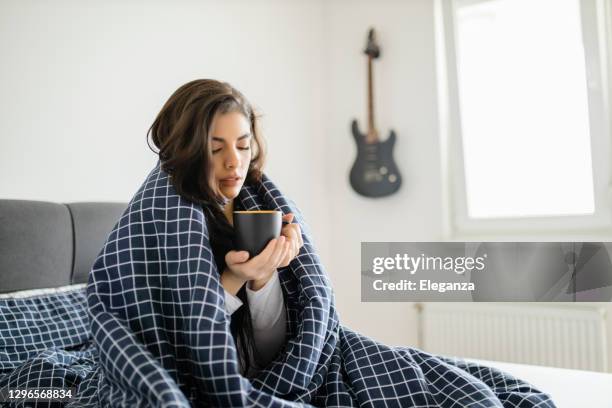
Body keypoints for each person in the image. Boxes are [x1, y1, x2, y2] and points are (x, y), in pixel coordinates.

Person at [147, 79, 302, 376]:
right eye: (215, 149)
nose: (235, 162)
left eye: (243, 146)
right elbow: (177, 357)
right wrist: (232, 278)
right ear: (184, 152)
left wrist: (264, 274)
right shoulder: (159, 222)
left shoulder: (258, 208)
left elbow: (269, 356)